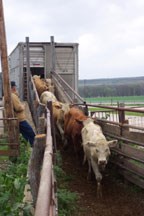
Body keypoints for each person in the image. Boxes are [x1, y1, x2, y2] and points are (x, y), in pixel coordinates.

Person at [10, 81, 35, 147]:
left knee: (25, 134)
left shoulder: (12, 95)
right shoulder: (13, 96)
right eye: (15, 86)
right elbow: (18, 108)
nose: (15, 88)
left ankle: (28, 146)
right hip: (20, 119)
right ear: (13, 88)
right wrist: (23, 106)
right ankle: (34, 146)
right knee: (30, 132)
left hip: (16, 119)